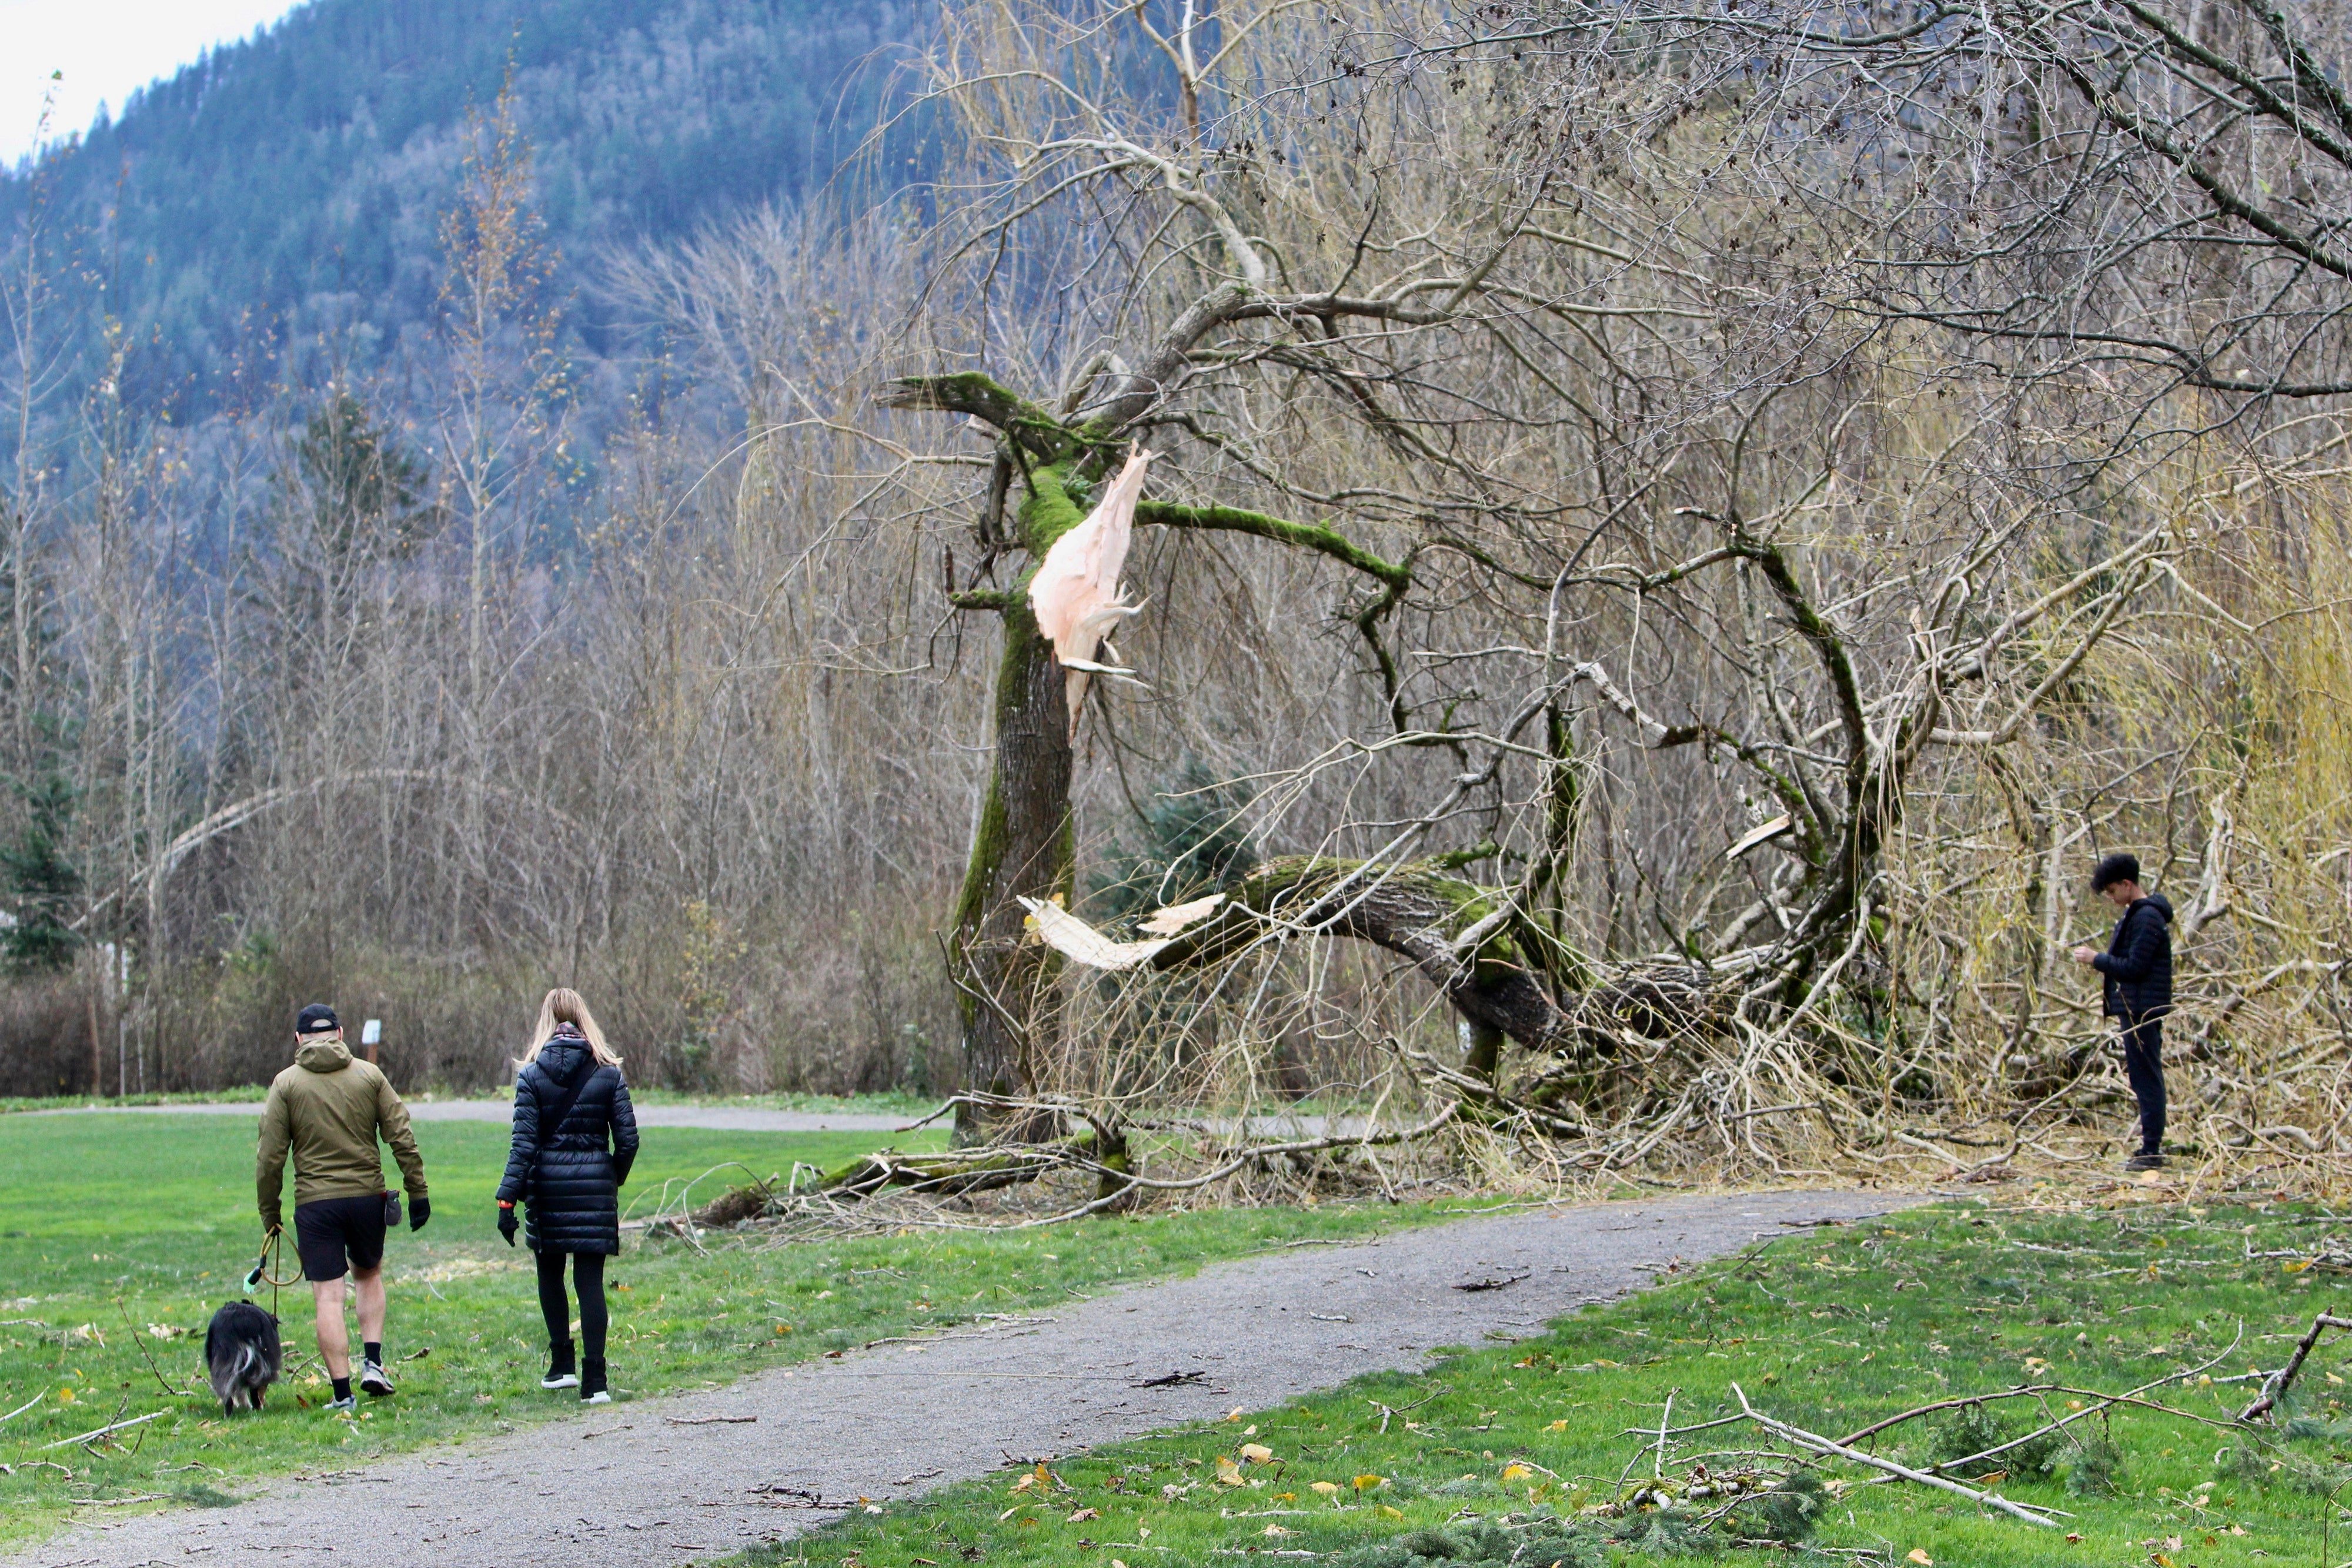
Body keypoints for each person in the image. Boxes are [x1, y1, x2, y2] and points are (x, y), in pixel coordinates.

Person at [256, 1003, 430, 1413]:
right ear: (340, 1032)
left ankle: (342, 1393)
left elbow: (269, 1158)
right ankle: (373, 1362)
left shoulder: (286, 1084)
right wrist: (417, 1189)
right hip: (368, 1196)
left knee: (329, 1298)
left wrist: (271, 1214)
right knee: (368, 1276)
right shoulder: (369, 1076)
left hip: (316, 1204)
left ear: (298, 1038)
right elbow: (401, 1134)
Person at [496, 988, 639, 1404]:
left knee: (550, 1275)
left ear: (546, 1020)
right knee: (589, 1281)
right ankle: (596, 1380)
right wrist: (611, 1176)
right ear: (584, 1017)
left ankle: (561, 1365)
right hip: (594, 1188)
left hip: (547, 1189)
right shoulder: (608, 1072)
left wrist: (507, 1200)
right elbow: (628, 1140)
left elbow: (523, 1145)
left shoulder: (531, 1075)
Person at [2070, 852, 2174, 1171]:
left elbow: (2134, 967)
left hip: (2143, 1009)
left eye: (2113, 891)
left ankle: (2152, 1149)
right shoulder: (2136, 915)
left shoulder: (2147, 918)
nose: (2112, 898)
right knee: (2142, 1076)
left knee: (2147, 1078)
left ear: (2127, 884)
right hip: (2135, 1007)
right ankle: (2149, 1146)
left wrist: (2096, 958)